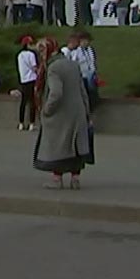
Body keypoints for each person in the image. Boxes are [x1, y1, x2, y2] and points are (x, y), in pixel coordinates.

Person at [33, 37, 94, 189]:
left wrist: (47, 110)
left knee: (59, 145)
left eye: (42, 50)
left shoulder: (53, 68)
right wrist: (86, 112)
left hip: (61, 114)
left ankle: (57, 179)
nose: (40, 54)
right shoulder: (72, 64)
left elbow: (56, 92)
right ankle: (75, 179)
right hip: (77, 111)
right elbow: (82, 91)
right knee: (75, 146)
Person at [15, 37, 40, 132]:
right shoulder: (31, 54)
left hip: (23, 80)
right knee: (32, 102)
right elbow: (34, 67)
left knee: (23, 102)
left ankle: (21, 123)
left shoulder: (19, 55)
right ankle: (31, 124)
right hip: (32, 79)